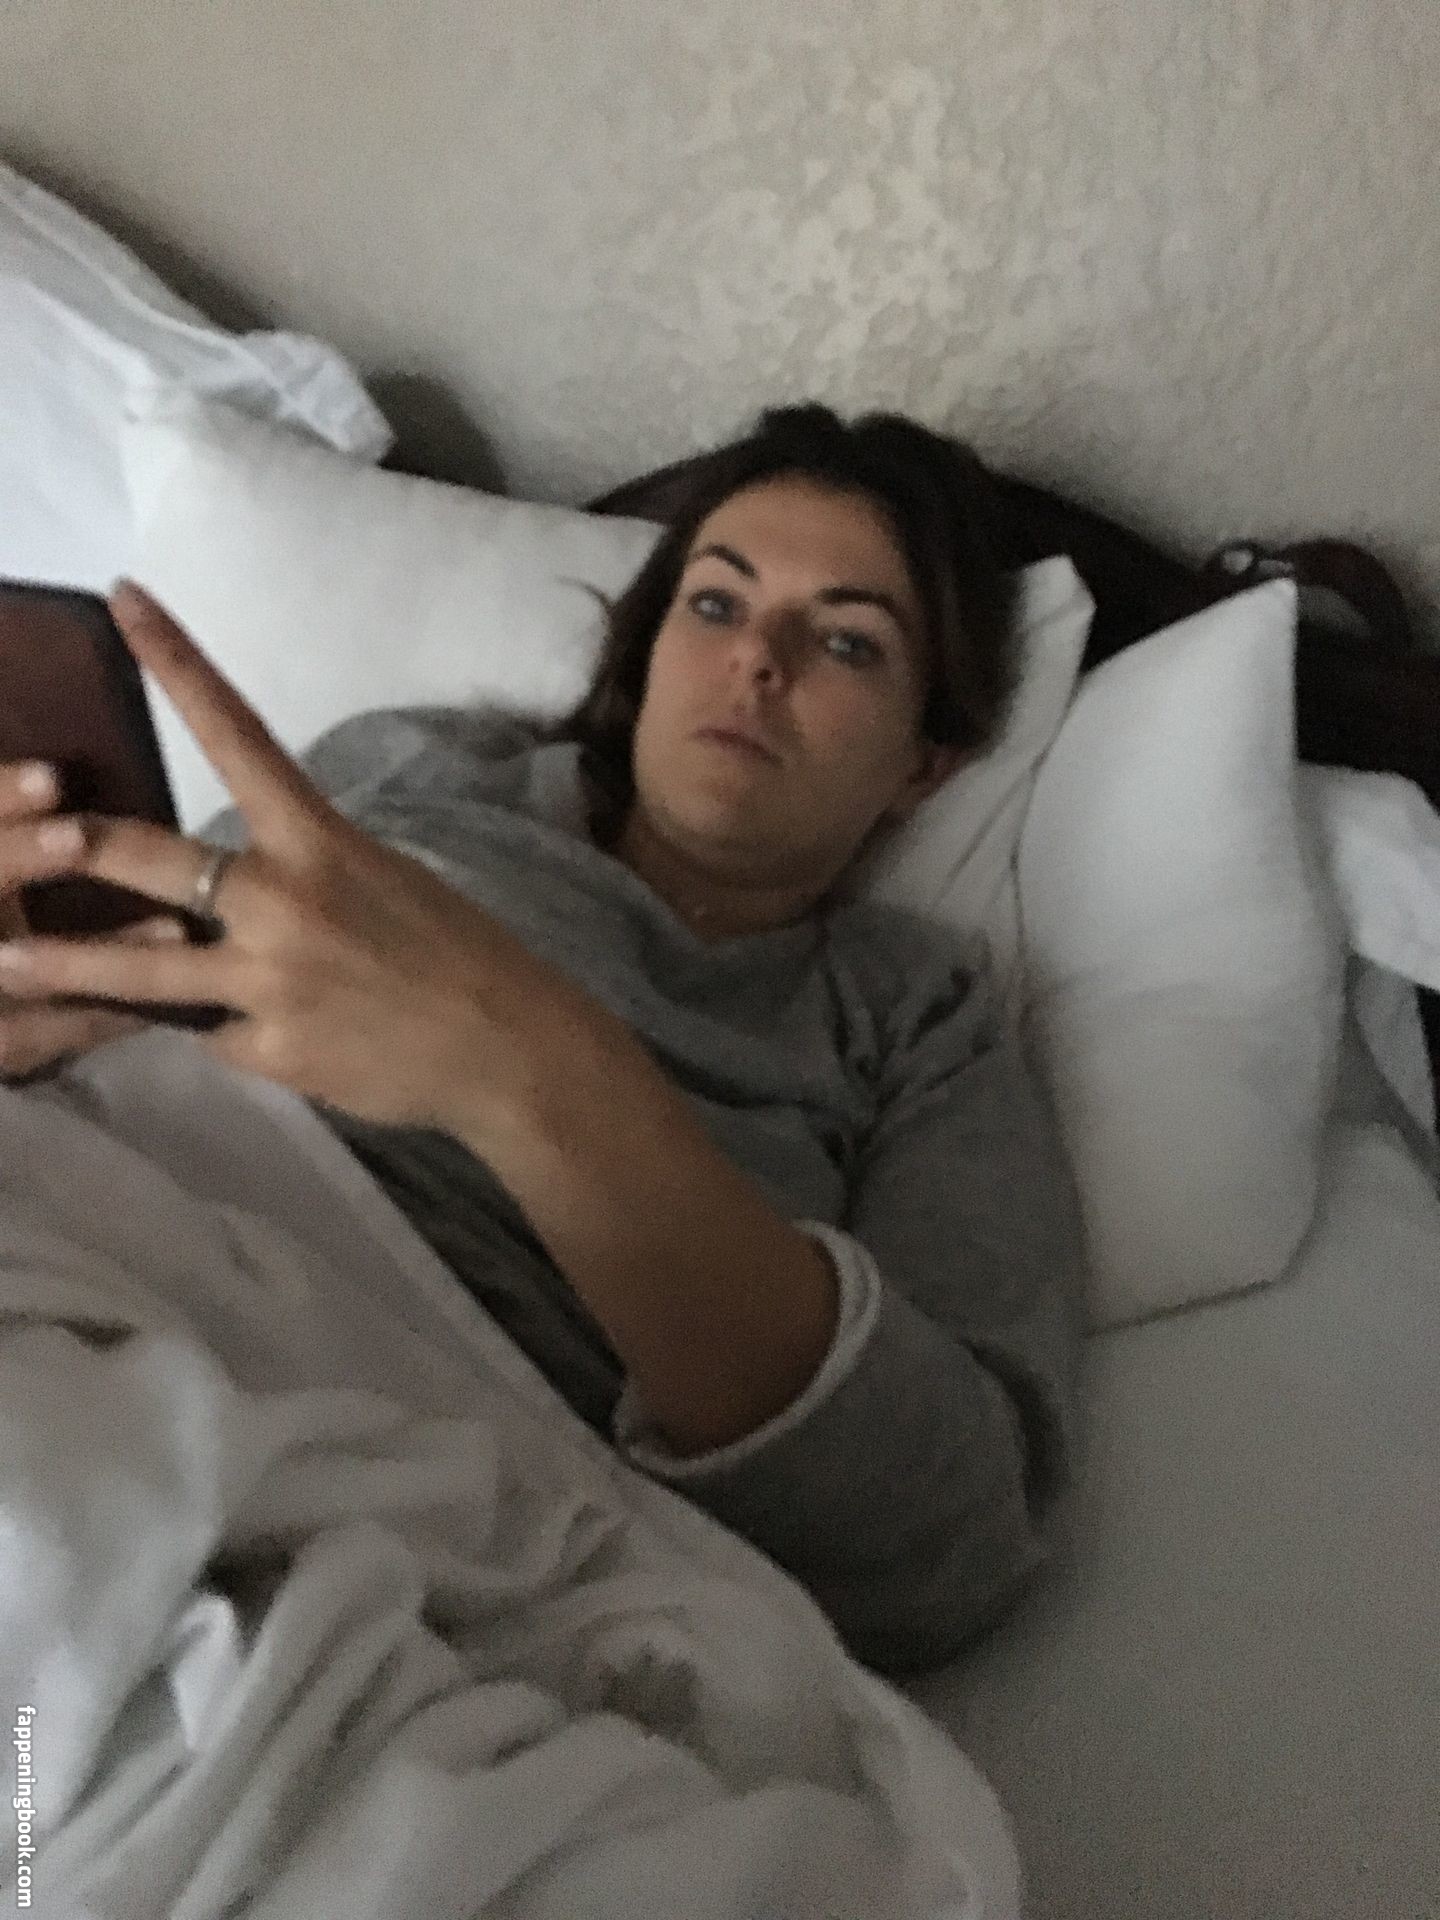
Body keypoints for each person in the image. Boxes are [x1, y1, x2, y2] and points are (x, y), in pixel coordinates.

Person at [0, 402, 1087, 1678]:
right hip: (104, 1240)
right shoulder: (422, 769)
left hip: (398, 1479)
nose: (758, 659)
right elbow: (158, 995)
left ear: (925, 764)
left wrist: (519, 1073)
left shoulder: (921, 1017)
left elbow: (952, 1542)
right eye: (717, 603)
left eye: (848, 641)